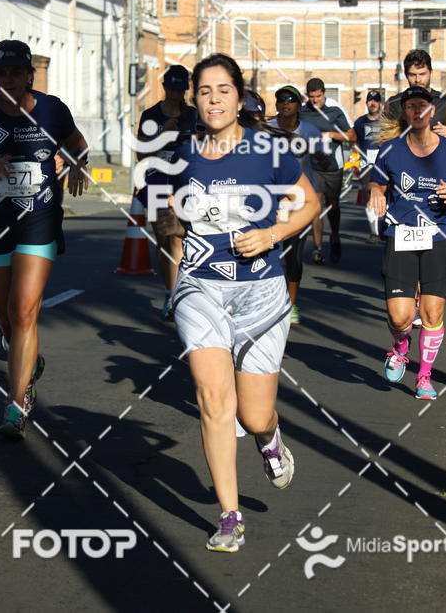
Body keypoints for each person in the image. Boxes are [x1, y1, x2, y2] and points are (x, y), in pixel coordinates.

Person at [156, 54, 319, 553]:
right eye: (205, 91)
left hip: (260, 292)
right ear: (195, 98)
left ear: (240, 95)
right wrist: (174, 281)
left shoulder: (268, 150)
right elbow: (170, 224)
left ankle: (269, 439)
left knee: (253, 415)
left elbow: (309, 204)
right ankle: (230, 515)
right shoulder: (180, 155)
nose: (214, 100)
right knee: (212, 400)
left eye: (223, 90)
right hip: (201, 288)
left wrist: (271, 233)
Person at [0, 40, 89, 438]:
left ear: (30, 73)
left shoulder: (52, 109)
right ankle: (30, 361)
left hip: (40, 219)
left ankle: (16, 404)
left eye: (17, 72)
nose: (9, 79)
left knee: (25, 310)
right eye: (2, 72)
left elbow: (77, 145)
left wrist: (79, 166)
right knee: (6, 319)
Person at [368, 86, 446, 400]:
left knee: (432, 313)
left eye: (422, 105)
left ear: (432, 110)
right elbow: (376, 183)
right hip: (400, 236)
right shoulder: (391, 149)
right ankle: (400, 346)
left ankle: (424, 377)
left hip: (438, 237)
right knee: (399, 316)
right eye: (410, 106)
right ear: (405, 112)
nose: (417, 111)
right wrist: (378, 193)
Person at [137, 65, 197, 319]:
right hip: (157, 179)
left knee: (178, 238)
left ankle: (178, 294)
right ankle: (169, 290)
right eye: (171, 89)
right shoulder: (151, 115)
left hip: (185, 179)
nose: (175, 94)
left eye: (180, 89)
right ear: (164, 88)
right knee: (163, 239)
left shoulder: (194, 115)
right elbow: (142, 154)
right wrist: (164, 134)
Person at [267, 84, 324, 324]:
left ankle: (291, 305)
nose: (284, 103)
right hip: (270, 199)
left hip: (299, 201)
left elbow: (323, 158)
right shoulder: (266, 129)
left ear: (298, 104)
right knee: (269, 252)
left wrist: (313, 150)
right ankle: (268, 302)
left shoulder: (309, 130)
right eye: (280, 99)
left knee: (294, 254)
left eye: (290, 99)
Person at [299, 77, 356, 264]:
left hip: (333, 167)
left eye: (319, 96)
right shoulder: (303, 112)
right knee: (316, 207)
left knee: (333, 206)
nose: (315, 100)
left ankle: (335, 236)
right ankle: (318, 248)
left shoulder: (334, 112)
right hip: (312, 167)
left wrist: (331, 134)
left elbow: (352, 136)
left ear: (324, 94)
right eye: (312, 97)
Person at [385, 49, 446, 139]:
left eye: (422, 74)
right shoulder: (393, 103)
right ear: (406, 75)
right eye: (412, 75)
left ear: (430, 72)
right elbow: (383, 141)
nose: (418, 80)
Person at [353, 90, 383, 244]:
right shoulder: (360, 122)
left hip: (383, 163)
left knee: (386, 195)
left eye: (376, 100)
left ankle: (385, 228)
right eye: (370, 101)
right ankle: (374, 232)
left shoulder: (386, 122)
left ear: (380, 103)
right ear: (366, 103)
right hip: (366, 164)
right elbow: (355, 142)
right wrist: (355, 163)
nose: (373, 103)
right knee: (369, 196)